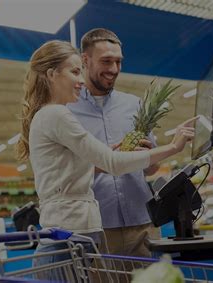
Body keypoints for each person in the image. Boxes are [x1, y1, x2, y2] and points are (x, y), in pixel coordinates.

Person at [16, 40, 196, 275]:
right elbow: (112, 163)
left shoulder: (48, 115)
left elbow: (73, 168)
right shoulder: (58, 114)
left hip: (70, 232)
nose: (81, 81)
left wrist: (109, 154)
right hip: (69, 233)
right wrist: (173, 146)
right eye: (74, 72)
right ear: (51, 74)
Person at [67, 28, 162, 258]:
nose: (114, 69)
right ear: (85, 60)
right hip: (96, 231)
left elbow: (152, 169)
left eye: (118, 61)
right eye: (106, 61)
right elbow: (65, 174)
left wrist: (149, 156)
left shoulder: (134, 105)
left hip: (143, 225)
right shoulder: (67, 110)